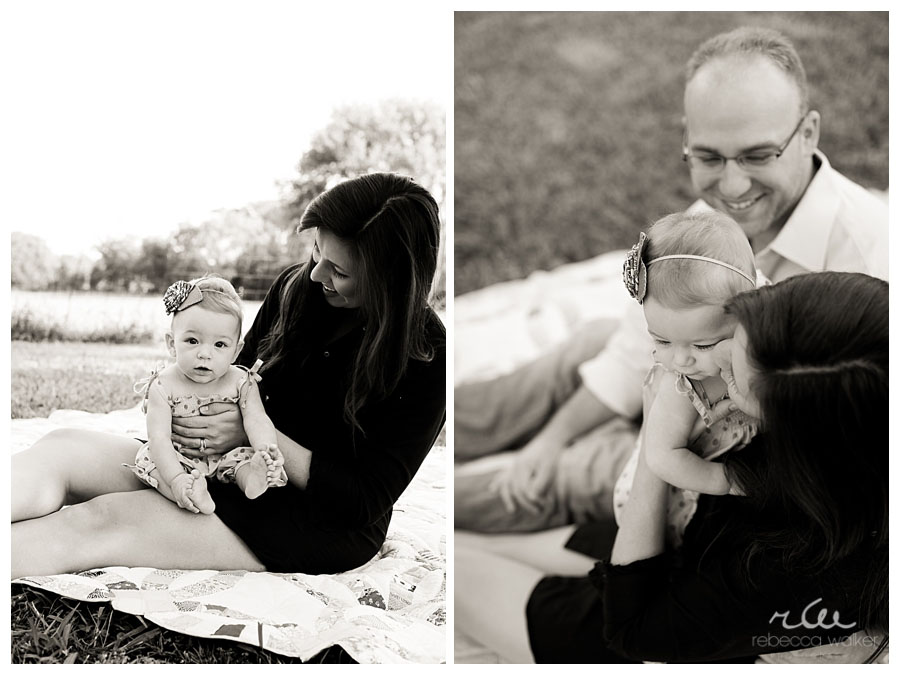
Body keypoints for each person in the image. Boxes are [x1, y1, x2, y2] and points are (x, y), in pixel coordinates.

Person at [455, 25, 889, 533]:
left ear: (808, 132)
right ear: (686, 137)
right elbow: (631, 353)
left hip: (722, 450)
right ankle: (444, 417)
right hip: (678, 387)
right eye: (708, 157)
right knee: (587, 347)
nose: (732, 186)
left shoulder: (869, 265)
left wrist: (661, 441)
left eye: (757, 155)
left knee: (566, 476)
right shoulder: (708, 222)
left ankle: (447, 499)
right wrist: (549, 440)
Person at [12, 172, 446, 578]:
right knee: (63, 447)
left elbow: (363, 501)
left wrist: (250, 433)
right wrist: (183, 407)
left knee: (100, 520)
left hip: (311, 518)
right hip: (215, 463)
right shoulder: (298, 289)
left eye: (341, 271)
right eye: (317, 251)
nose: (317, 273)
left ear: (391, 281)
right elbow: (234, 376)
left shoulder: (428, 355)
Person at [456, 271, 888, 663]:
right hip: (683, 537)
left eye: (734, 380)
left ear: (798, 446)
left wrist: (656, 441)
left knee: (459, 571)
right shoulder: (843, 405)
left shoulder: (803, 569)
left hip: (669, 625)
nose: (716, 362)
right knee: (481, 544)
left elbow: (631, 630)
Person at [127, 275, 288, 515]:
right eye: (192, 341)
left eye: (220, 345)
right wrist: (175, 476)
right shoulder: (162, 384)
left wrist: (265, 448)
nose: (204, 353)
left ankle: (252, 478)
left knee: (244, 460)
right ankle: (184, 489)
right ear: (171, 343)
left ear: (236, 351)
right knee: (150, 458)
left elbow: (256, 419)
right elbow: (159, 437)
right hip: (180, 456)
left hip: (229, 454)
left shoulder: (241, 381)